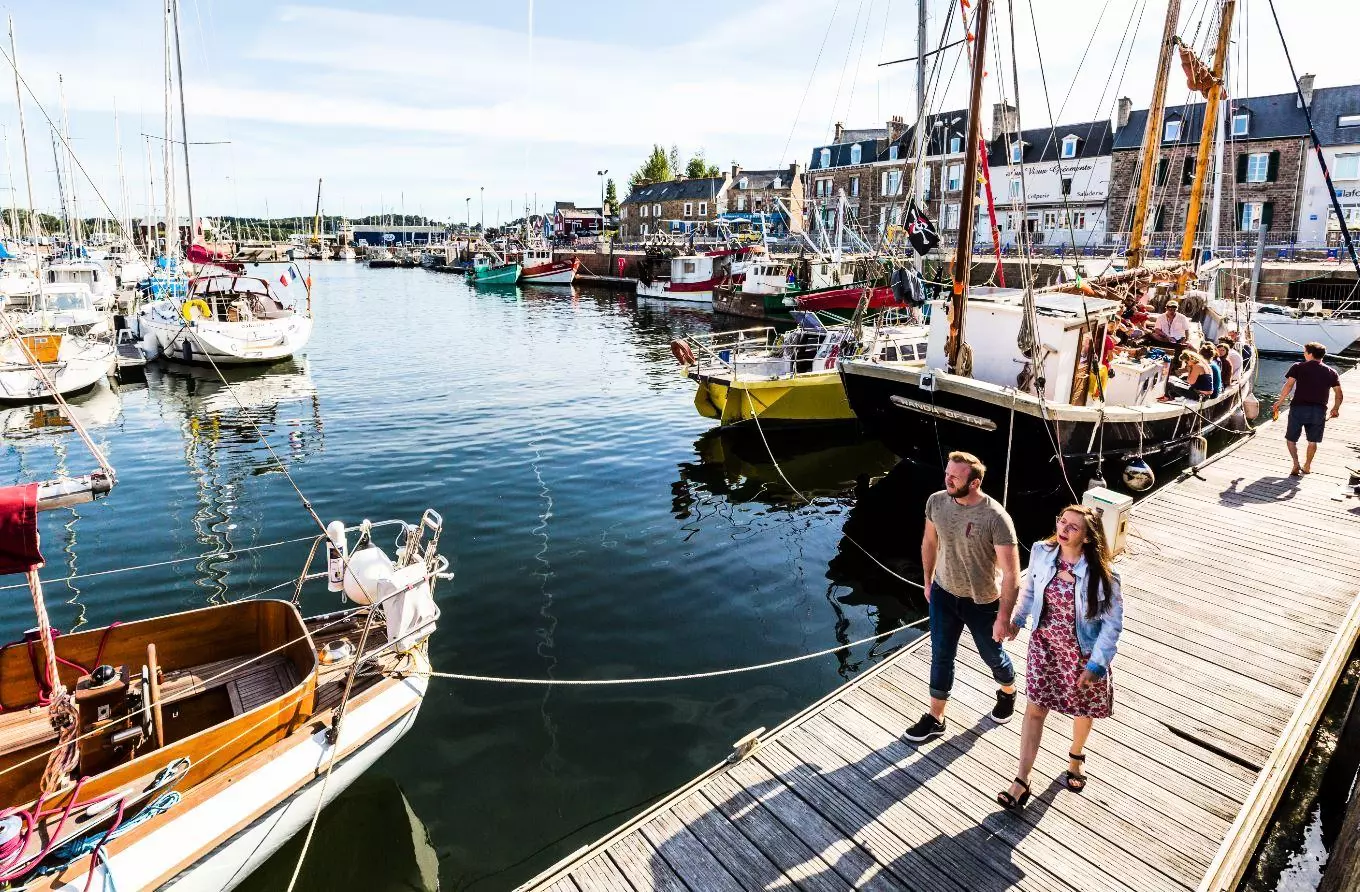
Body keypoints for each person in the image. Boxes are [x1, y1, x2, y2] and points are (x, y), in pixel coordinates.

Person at [997, 505, 1123, 810]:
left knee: (1082, 709)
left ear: (1088, 537)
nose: (1063, 529)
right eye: (1062, 522)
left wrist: (1097, 665)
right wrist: (1017, 621)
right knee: (1035, 709)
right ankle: (1022, 780)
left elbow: (1112, 625)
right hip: (1044, 646)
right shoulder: (1042, 552)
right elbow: (1030, 591)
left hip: (1082, 654)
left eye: (1073, 527)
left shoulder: (1104, 576)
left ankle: (1076, 756)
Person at [906, 452, 1021, 743]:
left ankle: (1008, 690)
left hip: (982, 601)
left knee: (991, 655)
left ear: (974, 483)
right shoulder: (936, 502)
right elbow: (929, 541)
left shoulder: (996, 517)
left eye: (955, 477)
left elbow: (1011, 574)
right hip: (943, 593)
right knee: (941, 655)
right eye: (947, 474)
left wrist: (1004, 617)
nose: (948, 480)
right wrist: (928, 581)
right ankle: (936, 718)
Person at [1273, 341, 1344, 475]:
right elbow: (1339, 394)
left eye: (1305, 352)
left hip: (1298, 408)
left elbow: (1288, 386)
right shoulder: (1332, 372)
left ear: (1310, 354)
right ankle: (1307, 466)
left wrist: (1280, 401)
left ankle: (1295, 464)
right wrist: (1335, 408)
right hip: (1318, 411)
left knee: (1291, 439)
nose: (1304, 354)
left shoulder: (1298, 367)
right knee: (1312, 441)